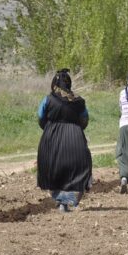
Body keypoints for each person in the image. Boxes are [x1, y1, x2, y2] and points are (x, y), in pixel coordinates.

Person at [36, 69, 92, 212]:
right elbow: (84, 120)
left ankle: (61, 201)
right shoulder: (79, 101)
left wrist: (49, 129)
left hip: (51, 138)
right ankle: (67, 201)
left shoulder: (48, 99)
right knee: (78, 169)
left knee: (54, 169)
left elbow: (41, 118)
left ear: (54, 83)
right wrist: (76, 130)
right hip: (75, 137)